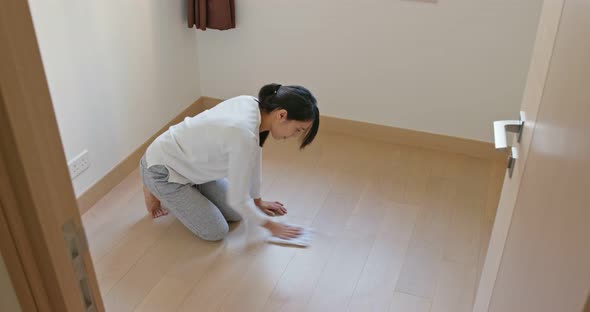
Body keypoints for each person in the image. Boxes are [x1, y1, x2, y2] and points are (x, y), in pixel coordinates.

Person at [139, 83, 320, 241]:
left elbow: (254, 159)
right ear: (281, 115)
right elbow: (239, 199)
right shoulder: (243, 132)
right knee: (216, 231)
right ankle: (150, 182)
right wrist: (272, 227)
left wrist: (257, 201)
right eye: (297, 130)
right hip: (164, 167)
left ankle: (189, 189)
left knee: (235, 215)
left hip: (195, 166)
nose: (294, 136)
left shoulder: (254, 107)